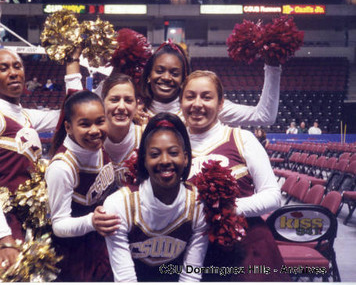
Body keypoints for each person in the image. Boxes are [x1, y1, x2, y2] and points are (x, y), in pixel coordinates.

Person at [0, 48, 82, 270]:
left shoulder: (26, 116)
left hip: (33, 223)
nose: (13, 72)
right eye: (4, 68)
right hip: (6, 225)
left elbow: (73, 112)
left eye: (17, 66)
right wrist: (3, 237)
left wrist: (72, 66)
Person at [180, 70, 287, 281]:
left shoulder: (242, 138)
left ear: (221, 104)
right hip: (189, 254)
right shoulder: (172, 145)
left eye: (207, 96)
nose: (197, 104)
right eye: (190, 96)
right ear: (181, 102)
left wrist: (228, 209)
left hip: (248, 249)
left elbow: (274, 196)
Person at [103, 113, 208, 282]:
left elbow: (191, 274)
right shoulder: (119, 204)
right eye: (154, 154)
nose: (165, 160)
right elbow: (125, 279)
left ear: (186, 158)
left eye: (173, 153)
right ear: (143, 160)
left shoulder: (198, 204)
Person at [45, 90, 120, 282]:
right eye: (85, 124)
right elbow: (59, 225)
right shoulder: (62, 167)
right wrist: (91, 222)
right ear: (68, 127)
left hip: (101, 244)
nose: (95, 130)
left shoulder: (97, 146)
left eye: (100, 121)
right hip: (74, 258)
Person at [139, 40, 281, 126]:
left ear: (184, 80)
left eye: (175, 73)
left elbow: (264, 116)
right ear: (148, 75)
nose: (166, 77)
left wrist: (272, 67)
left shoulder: (202, 108)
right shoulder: (132, 109)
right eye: (159, 71)